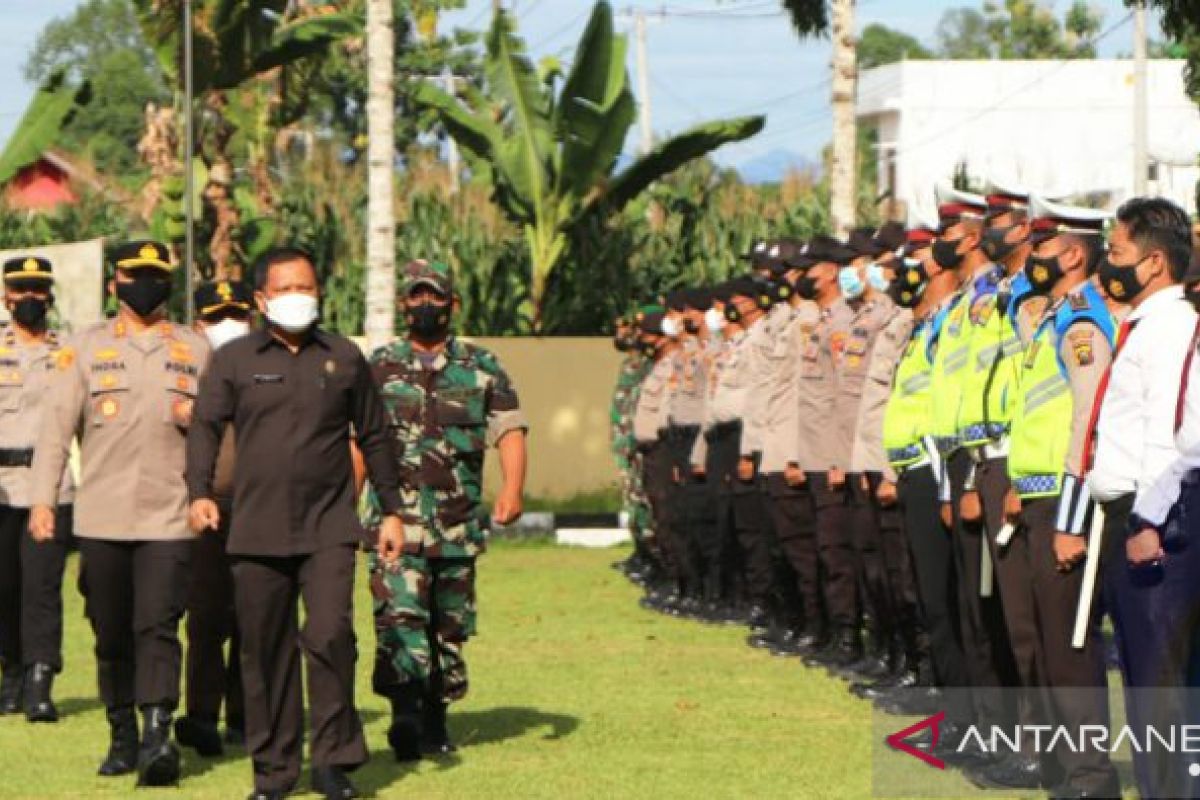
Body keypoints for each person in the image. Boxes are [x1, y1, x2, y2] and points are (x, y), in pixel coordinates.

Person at [186, 246, 406, 800]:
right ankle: (274, 772)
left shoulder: (345, 357)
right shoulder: (234, 359)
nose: (296, 298)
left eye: (305, 287)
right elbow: (206, 428)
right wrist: (200, 493)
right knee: (264, 651)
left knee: (330, 635)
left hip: (329, 525)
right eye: (284, 289)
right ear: (261, 299)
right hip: (255, 529)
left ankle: (333, 761)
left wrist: (393, 511)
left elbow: (376, 435)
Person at [29, 240, 210, 786]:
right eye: (136, 275)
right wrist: (43, 499)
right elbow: (55, 430)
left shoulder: (196, 350)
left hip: (169, 515)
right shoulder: (84, 348)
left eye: (156, 275)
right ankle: (121, 732)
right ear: (116, 284)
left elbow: (223, 427)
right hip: (102, 516)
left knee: (158, 623)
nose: (146, 284)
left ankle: (158, 733)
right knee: (109, 630)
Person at [982, 197, 1120, 795]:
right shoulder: (1050, 316)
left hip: (1066, 506)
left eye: (1040, 247)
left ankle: (1090, 775)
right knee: (1035, 640)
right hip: (1031, 498)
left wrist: (1070, 520)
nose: (1029, 258)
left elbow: (1087, 422)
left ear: (1070, 252)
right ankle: (1061, 767)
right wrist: (1015, 482)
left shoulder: (1083, 319)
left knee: (1068, 650)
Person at [364, 260, 527, 762]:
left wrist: (513, 490)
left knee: (448, 629)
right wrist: (341, 502)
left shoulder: (483, 366)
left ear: (452, 304)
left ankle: (436, 719)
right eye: (415, 297)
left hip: (457, 525)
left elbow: (510, 429)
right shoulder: (379, 366)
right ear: (403, 305)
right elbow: (359, 440)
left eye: (433, 296)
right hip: (394, 524)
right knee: (398, 618)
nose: (424, 305)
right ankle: (406, 716)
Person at [1087, 196, 1199, 800]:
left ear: (1154, 263)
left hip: (1155, 520)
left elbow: (1171, 434)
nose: (1108, 263)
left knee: (1161, 688)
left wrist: (1149, 523)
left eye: (1117, 251)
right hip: (1136, 514)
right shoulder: (1146, 325)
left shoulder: (1171, 327)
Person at [175, 280, 253, 757]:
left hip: (259, 506)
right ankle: (202, 715)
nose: (228, 325)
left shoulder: (266, 366)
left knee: (254, 615)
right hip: (204, 508)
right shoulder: (183, 367)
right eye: (216, 317)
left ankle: (245, 716)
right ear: (198, 325)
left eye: (236, 315)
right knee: (205, 615)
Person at [0, 256, 74, 723]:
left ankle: (41, 679)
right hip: (1, 487)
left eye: (37, 290)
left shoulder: (69, 353)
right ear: (6, 296)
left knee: (42, 585)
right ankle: (11, 674)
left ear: (49, 295)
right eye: (20, 290)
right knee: (5, 586)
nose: (29, 298)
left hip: (51, 484)